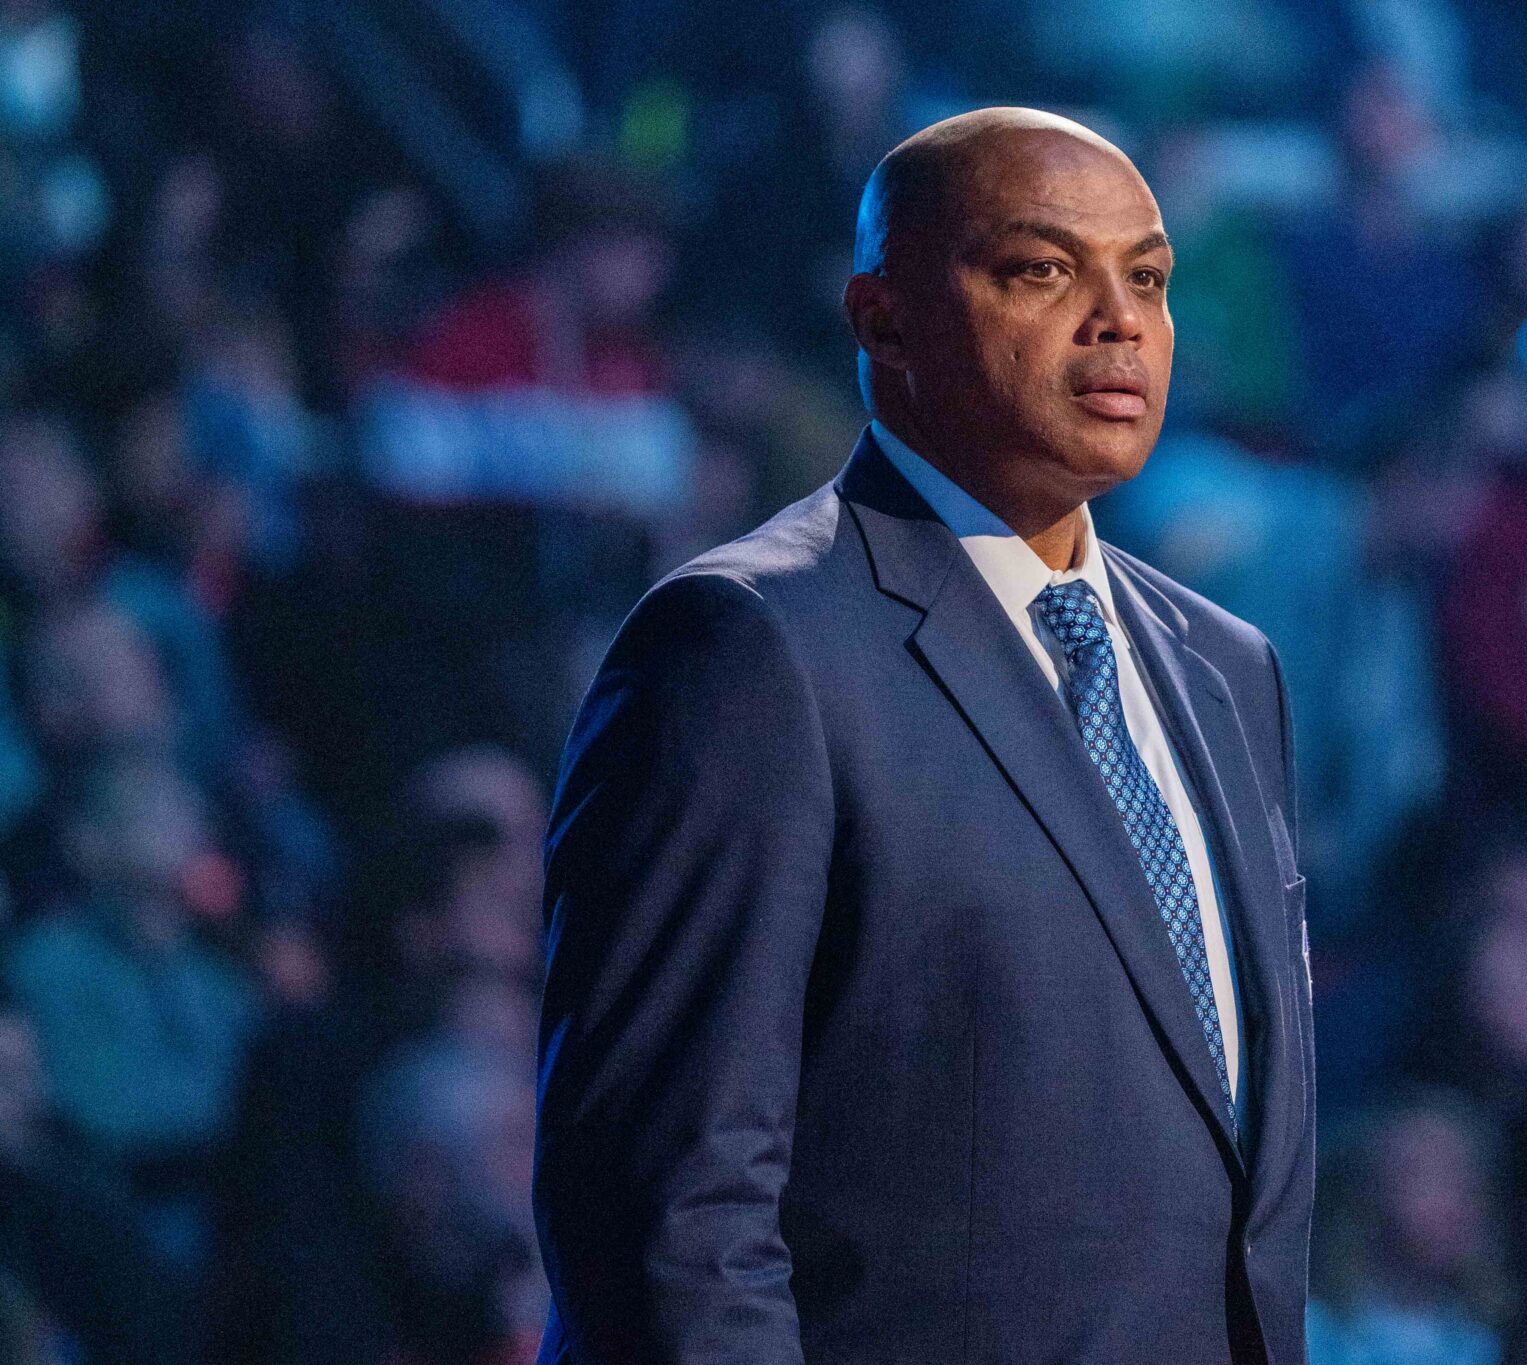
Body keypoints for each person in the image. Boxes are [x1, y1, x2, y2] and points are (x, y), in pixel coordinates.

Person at [531, 106, 1316, 1363]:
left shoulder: (1227, 669)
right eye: (1042, 270)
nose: (1118, 321)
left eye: (1148, 279)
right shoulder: (747, 648)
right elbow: (669, 1216)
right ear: (883, 320)